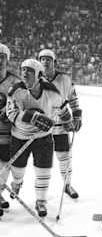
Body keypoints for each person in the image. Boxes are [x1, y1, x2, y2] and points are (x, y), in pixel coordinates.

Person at [6, 59, 71, 217]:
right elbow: (11, 114)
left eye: (29, 70)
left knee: (43, 170)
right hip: (20, 136)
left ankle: (41, 201)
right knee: (17, 170)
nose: (24, 73)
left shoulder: (51, 92)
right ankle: (17, 183)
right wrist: (32, 117)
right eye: (23, 70)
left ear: (39, 74)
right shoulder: (16, 91)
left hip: (43, 138)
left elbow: (62, 107)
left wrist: (67, 120)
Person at [39, 49, 82, 199]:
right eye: (42, 59)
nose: (45, 62)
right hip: (41, 128)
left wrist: (77, 116)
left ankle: (67, 185)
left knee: (64, 157)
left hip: (61, 127)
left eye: (48, 59)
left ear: (54, 62)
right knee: (41, 161)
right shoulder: (35, 80)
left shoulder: (64, 79)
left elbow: (73, 99)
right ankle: (40, 194)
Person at [0, 43, 20, 217]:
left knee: (4, 164)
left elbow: (23, 103)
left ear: (7, 59)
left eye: (2, 57)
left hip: (7, 132)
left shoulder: (15, 81)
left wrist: (11, 112)